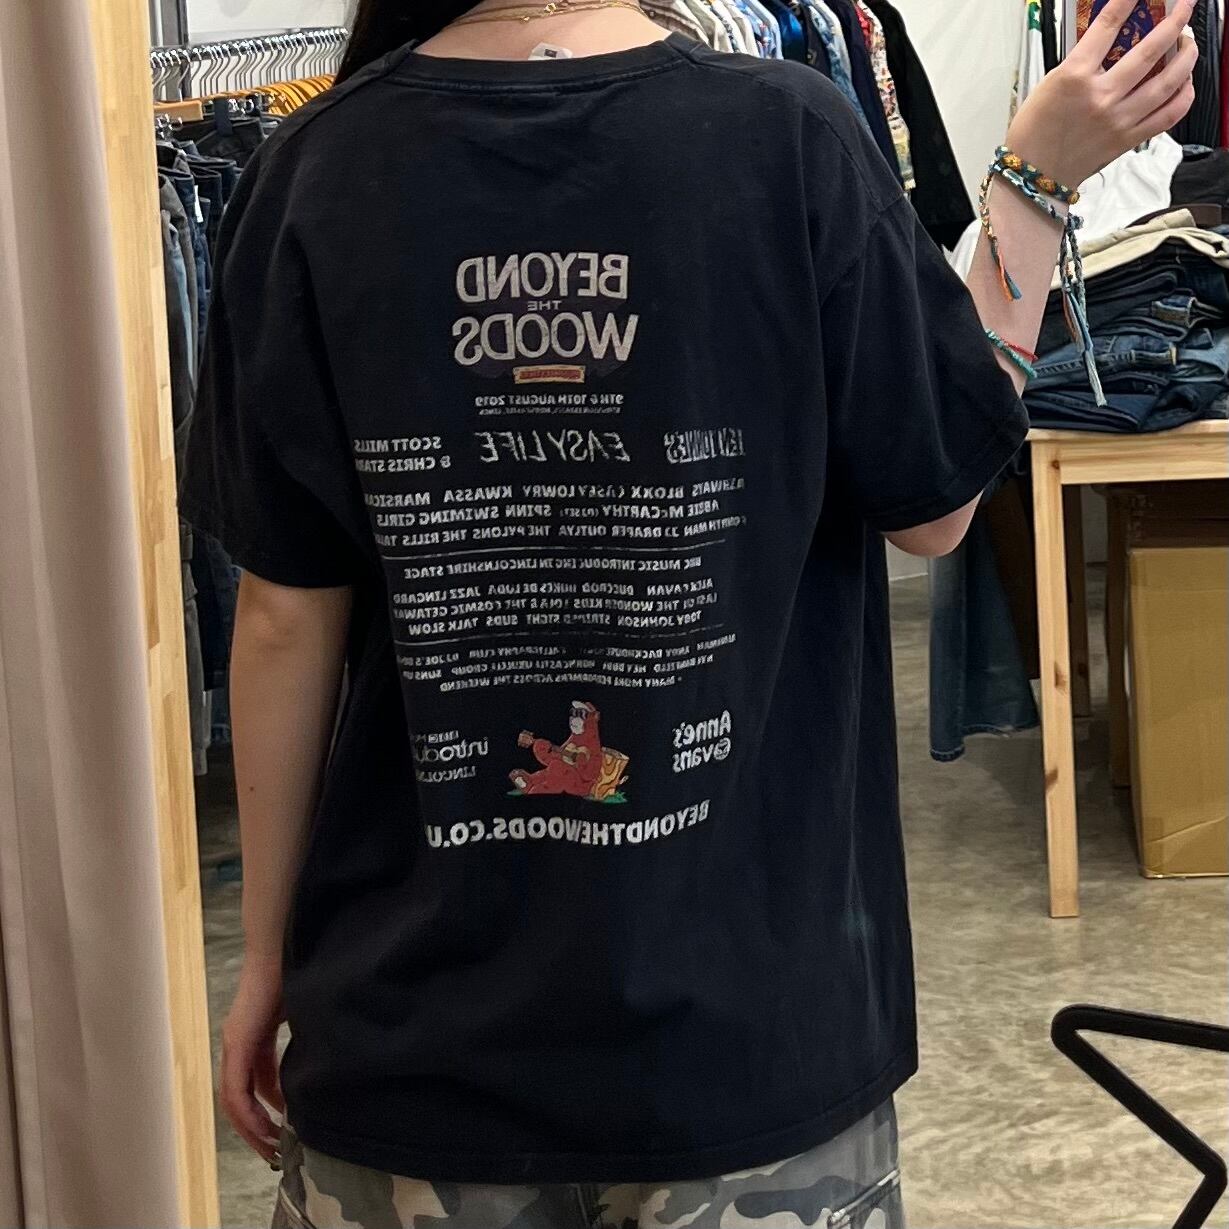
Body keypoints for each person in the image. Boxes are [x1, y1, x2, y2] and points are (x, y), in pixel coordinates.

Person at [182, 1, 1196, 1225]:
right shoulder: (789, 138)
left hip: (408, 1026)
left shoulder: (312, 169)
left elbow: (283, 618)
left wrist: (269, 959)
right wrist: (1031, 181)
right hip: (749, 1031)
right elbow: (934, 508)